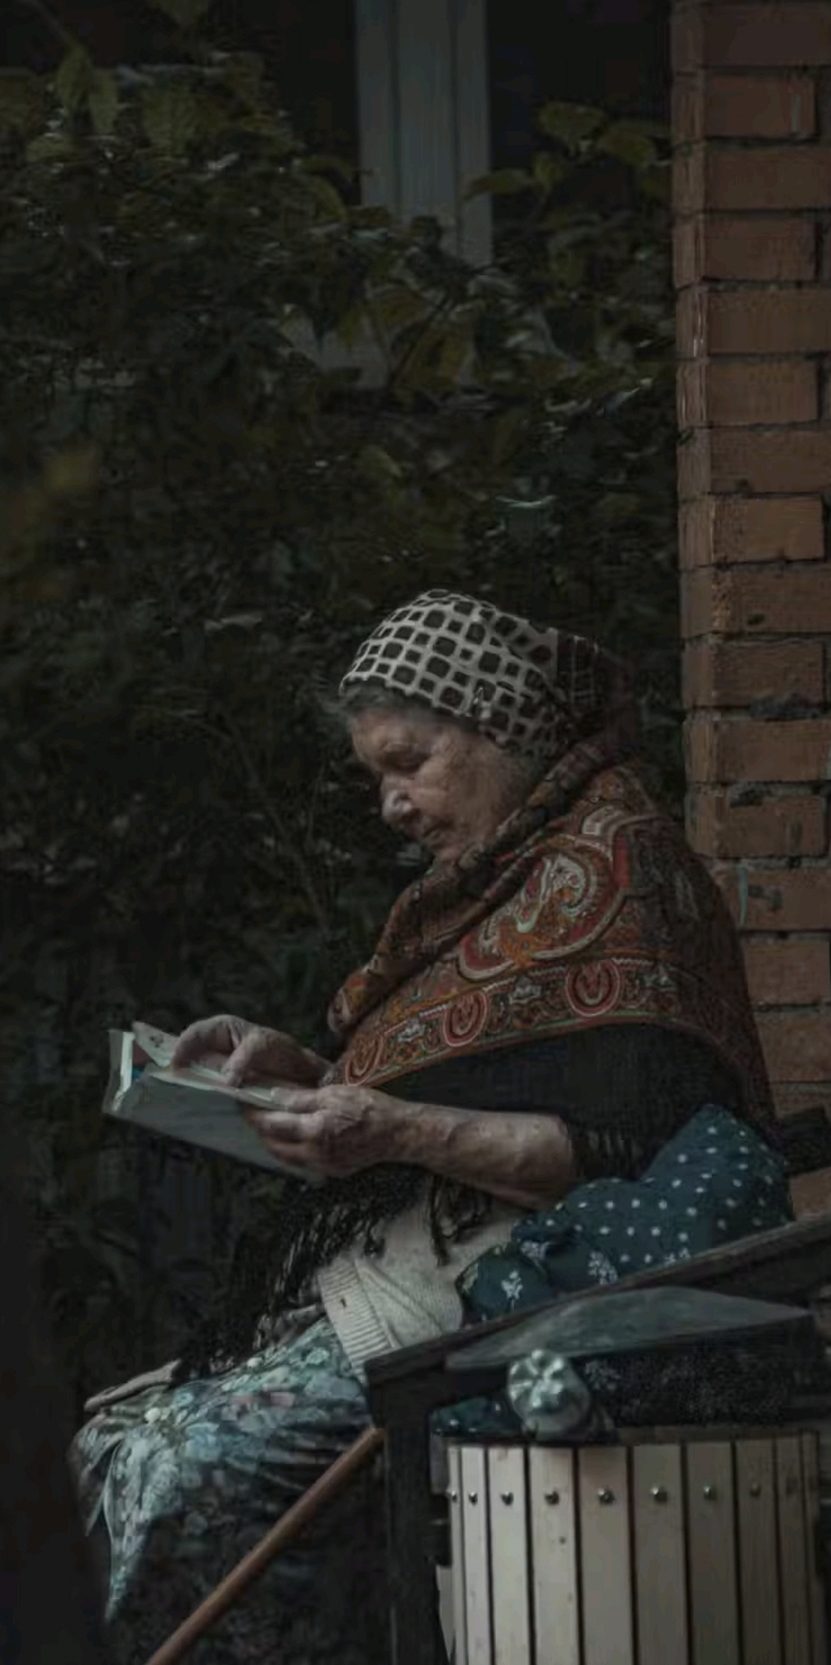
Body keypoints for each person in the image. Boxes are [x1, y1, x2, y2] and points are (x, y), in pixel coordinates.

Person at [71, 589, 786, 1664]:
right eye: (377, 778)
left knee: (193, 1470)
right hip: (403, 1276)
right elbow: (475, 1083)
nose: (393, 805)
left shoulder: (618, 870)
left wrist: (392, 1128)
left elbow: (626, 1156)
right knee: (107, 1442)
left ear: (501, 725)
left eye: (409, 763)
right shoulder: (487, 887)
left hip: (532, 1293)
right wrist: (298, 1075)